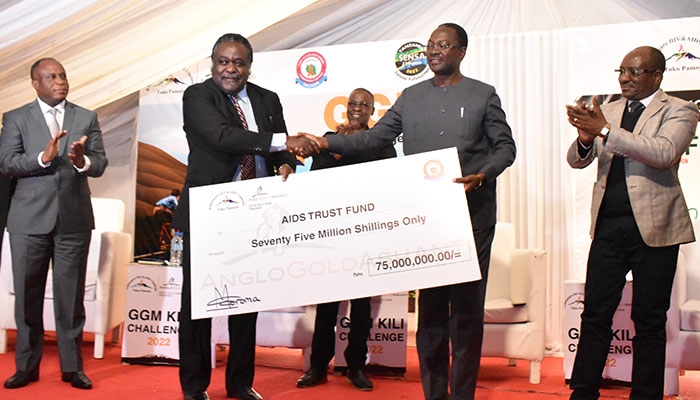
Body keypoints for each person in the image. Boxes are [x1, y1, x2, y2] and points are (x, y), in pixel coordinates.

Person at [300, 23, 516, 400]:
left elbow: (506, 147)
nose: (434, 51)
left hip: (473, 217)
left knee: (466, 315)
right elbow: (374, 137)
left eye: (443, 45)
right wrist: (324, 142)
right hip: (427, 219)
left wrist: (483, 174)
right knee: (430, 316)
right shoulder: (411, 96)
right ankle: (434, 395)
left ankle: (461, 395)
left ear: (461, 51)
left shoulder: (483, 94)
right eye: (430, 45)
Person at [173, 33, 318, 400]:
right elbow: (222, 137)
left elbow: (282, 150)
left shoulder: (267, 99)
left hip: (255, 215)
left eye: (238, 63)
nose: (230, 69)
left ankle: (239, 383)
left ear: (249, 67)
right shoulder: (198, 96)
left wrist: (285, 162)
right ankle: (194, 386)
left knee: (246, 301)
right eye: (223, 61)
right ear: (212, 64)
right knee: (198, 303)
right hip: (209, 213)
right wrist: (281, 142)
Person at [565, 46, 698, 400]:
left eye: (634, 72)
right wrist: (585, 138)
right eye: (621, 71)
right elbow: (577, 160)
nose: (624, 78)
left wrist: (605, 130)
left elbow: (663, 152)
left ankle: (646, 395)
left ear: (657, 75)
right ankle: (583, 392)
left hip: (657, 229)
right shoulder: (608, 110)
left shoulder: (680, 109)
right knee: (595, 314)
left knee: (649, 320)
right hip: (608, 227)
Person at [0, 57, 108, 390]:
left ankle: (72, 368)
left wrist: (82, 161)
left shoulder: (86, 117)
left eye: (62, 75)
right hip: (28, 220)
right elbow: (7, 163)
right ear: (35, 83)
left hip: (73, 220)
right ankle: (26, 367)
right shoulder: (15, 118)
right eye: (51, 77)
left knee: (70, 297)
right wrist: (42, 158)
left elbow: (100, 163)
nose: (60, 81)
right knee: (27, 297)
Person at [296, 88, 396, 391]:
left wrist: (351, 147)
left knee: (361, 307)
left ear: (372, 111)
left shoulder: (381, 143)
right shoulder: (328, 139)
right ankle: (318, 366)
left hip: (365, 234)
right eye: (353, 103)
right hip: (332, 234)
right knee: (327, 304)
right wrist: (339, 146)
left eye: (364, 104)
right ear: (346, 106)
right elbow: (317, 180)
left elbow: (389, 183)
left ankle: (355, 366)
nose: (357, 108)